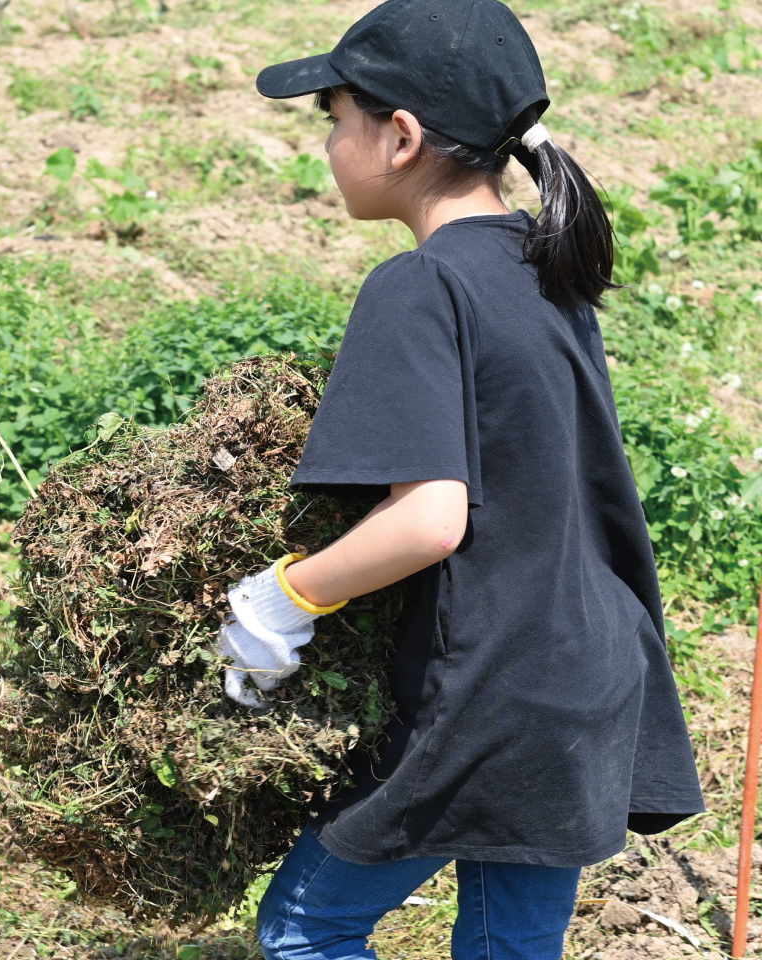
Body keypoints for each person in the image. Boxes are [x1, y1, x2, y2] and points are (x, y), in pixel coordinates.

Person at [215, 0, 705, 956]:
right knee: (509, 948)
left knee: (306, 928)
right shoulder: (541, 261)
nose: (328, 144)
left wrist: (285, 595)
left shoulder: (420, 285)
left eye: (334, 118)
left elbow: (431, 519)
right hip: (587, 674)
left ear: (399, 136)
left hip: (494, 691)